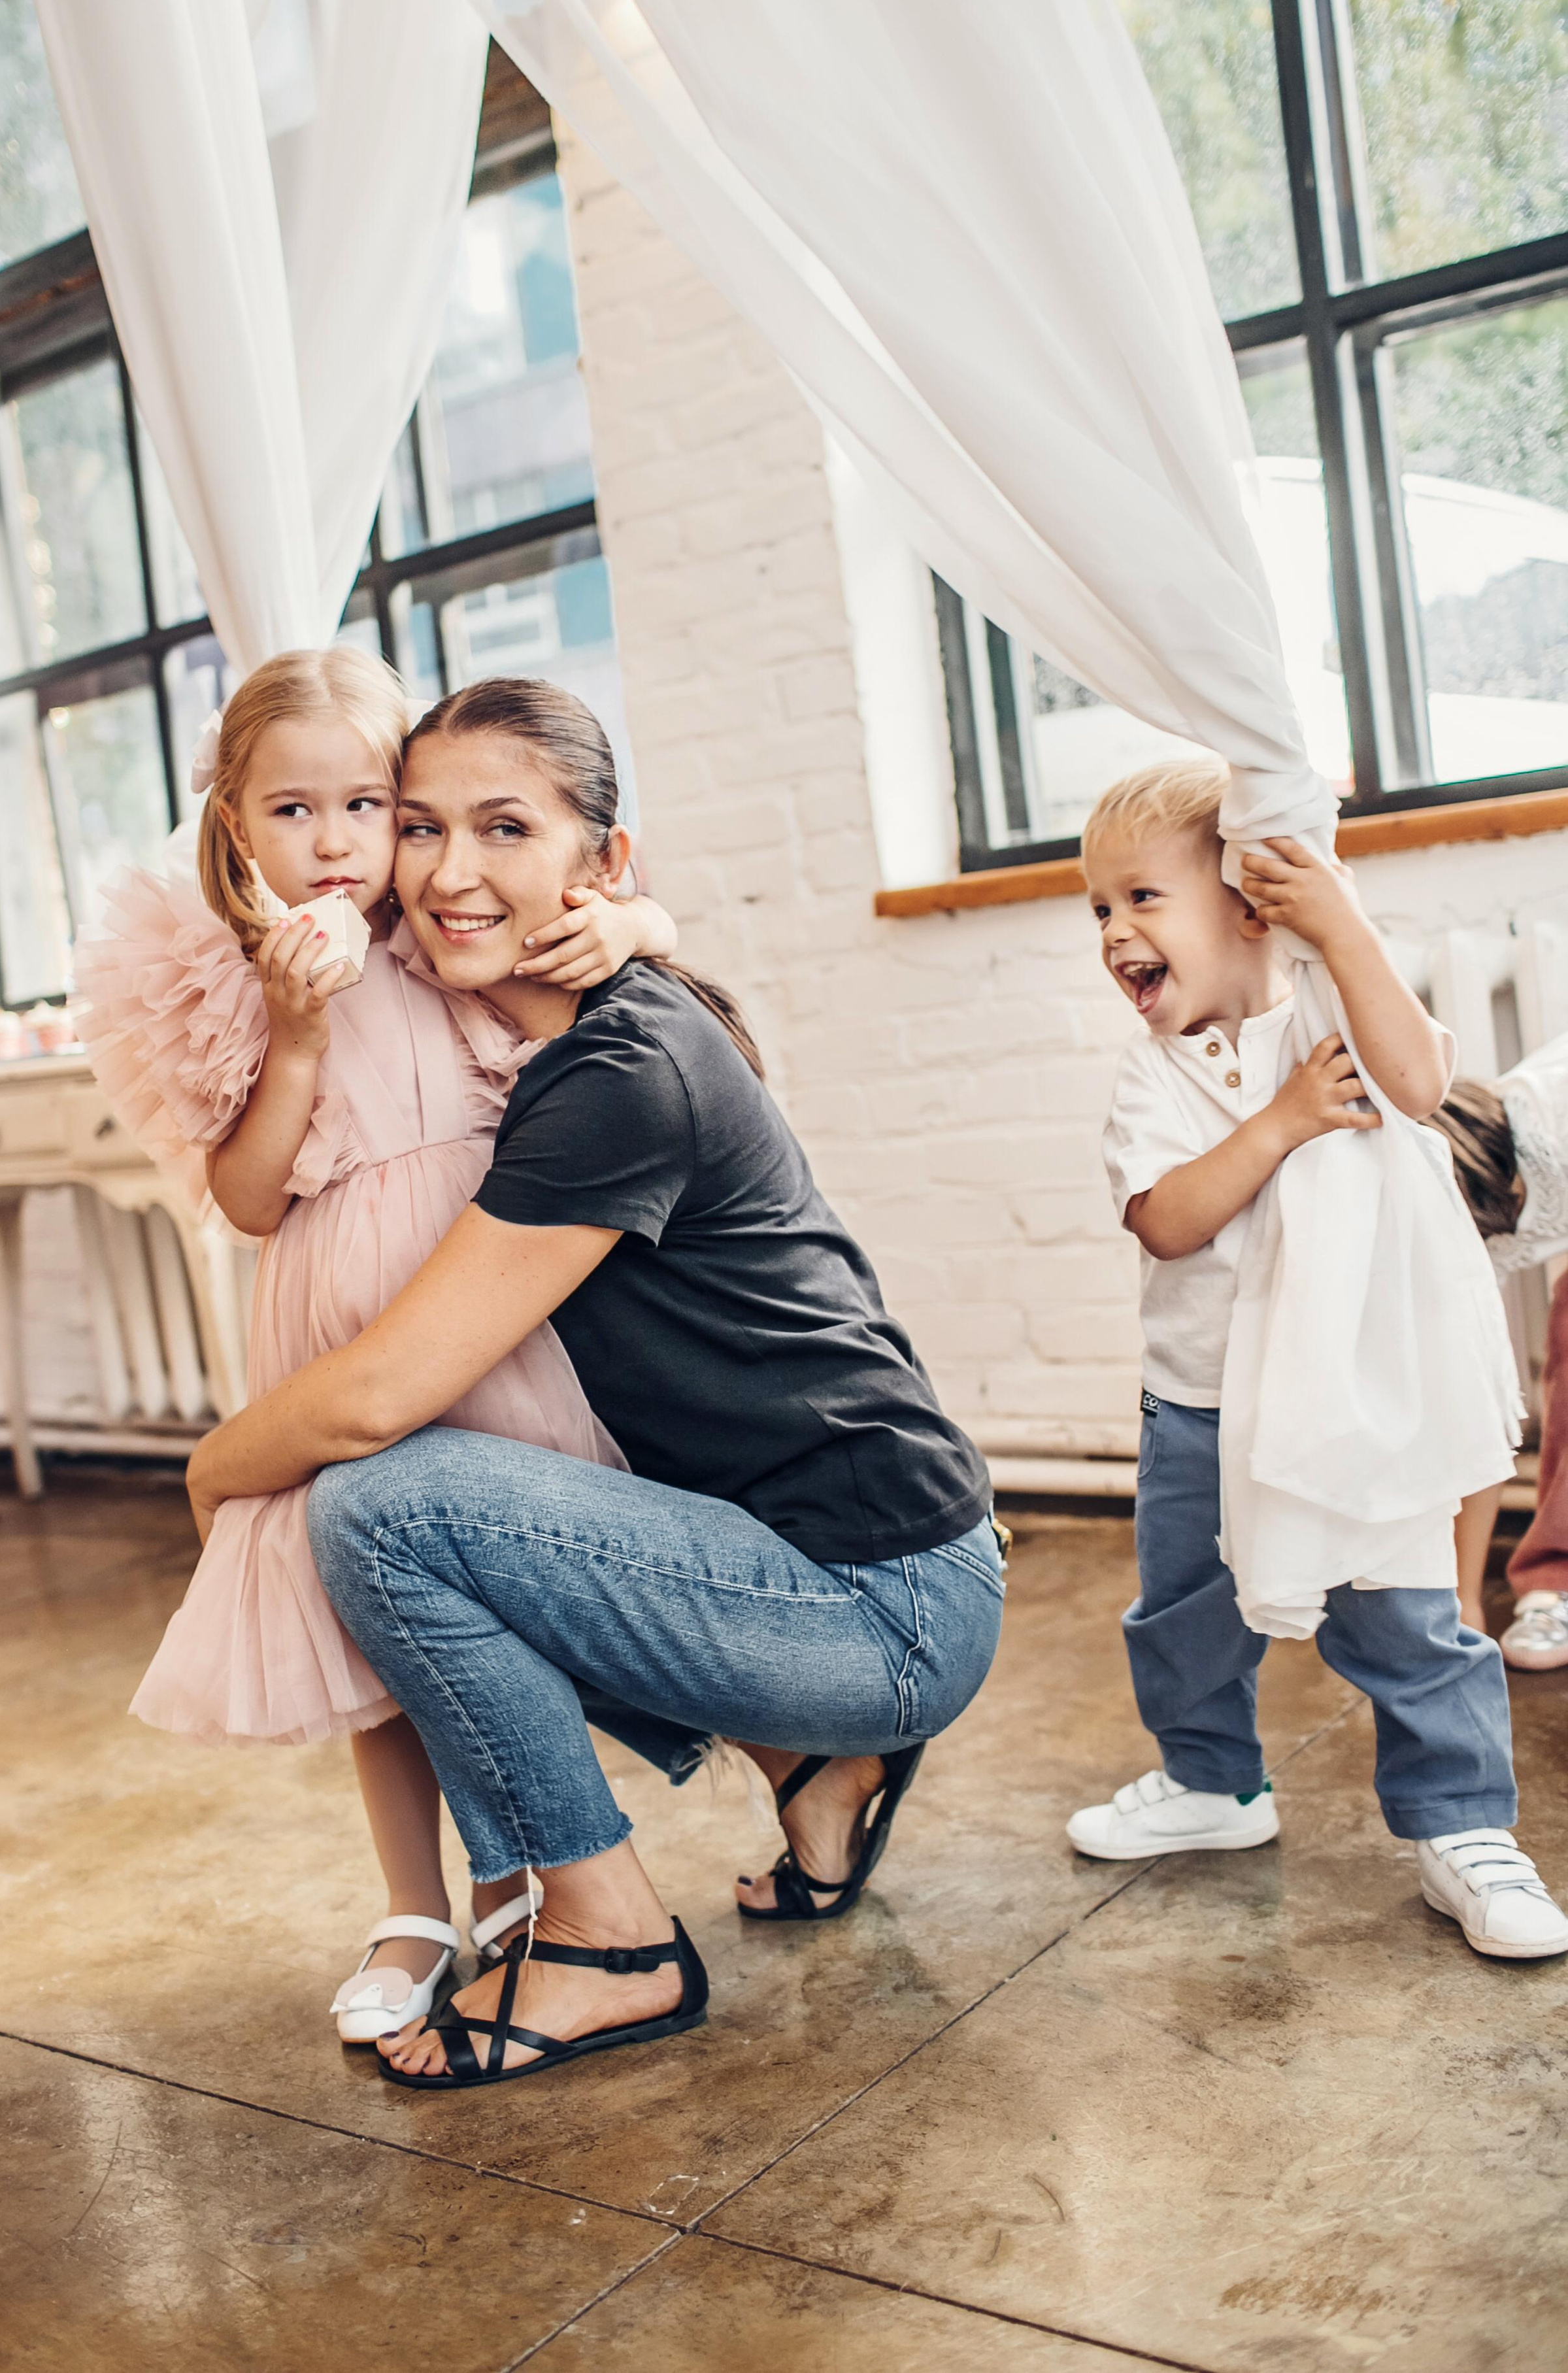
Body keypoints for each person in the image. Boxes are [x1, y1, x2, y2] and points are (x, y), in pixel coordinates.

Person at [184, 675, 1003, 2091]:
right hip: (836, 1568)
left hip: (888, 1607)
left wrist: (205, 1471)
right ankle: (813, 1766)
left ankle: (607, 1940)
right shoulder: (556, 1021)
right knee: (471, 1489)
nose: (446, 873)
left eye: (504, 829)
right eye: (421, 828)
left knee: (384, 1505)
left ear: (600, 865)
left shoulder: (618, 1071)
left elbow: (374, 1402)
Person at [73, 648, 678, 2047]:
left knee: (484, 1608)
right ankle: (415, 1904)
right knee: (369, 1630)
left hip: (479, 1317)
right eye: (292, 812)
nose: (336, 843)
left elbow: (617, 948)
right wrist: (292, 1031)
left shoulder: (448, 929)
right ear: (234, 823)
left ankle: (525, 1873)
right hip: (330, 1321)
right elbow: (242, 1197)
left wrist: (637, 929)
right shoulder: (230, 975)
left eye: (368, 807)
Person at [1064, 759, 1568, 1961]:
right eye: (1097, 910)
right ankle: (1214, 1783)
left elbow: (1420, 1082)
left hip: (1347, 1400)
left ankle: (1467, 1825)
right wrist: (1283, 1120)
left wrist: (1338, 920)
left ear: (1250, 905)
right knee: (1184, 1615)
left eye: (1140, 898)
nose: (1113, 932)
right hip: (1199, 1410)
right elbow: (1170, 1220)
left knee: (1408, 1617)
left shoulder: (1330, 1011)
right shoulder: (1154, 1077)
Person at [1430, 1054, 1568, 1665]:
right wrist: (1464, 1602)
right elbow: (1477, 1415)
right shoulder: (1468, 1233)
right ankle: (1555, 1575)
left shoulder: (1552, 1113)